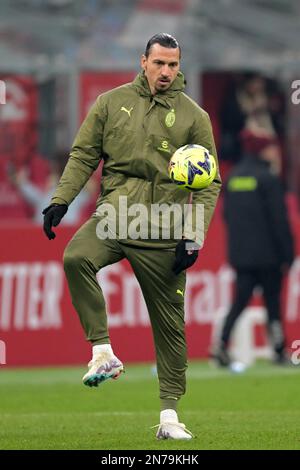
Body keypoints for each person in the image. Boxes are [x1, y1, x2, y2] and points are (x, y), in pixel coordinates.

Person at [42, 33, 221, 440]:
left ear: (180, 66)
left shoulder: (194, 117)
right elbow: (84, 154)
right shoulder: (109, 103)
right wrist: (61, 199)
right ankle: (102, 352)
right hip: (115, 217)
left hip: (163, 226)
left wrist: (193, 235)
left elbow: (210, 182)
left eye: (173, 65)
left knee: (170, 326)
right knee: (75, 258)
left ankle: (170, 416)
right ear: (143, 61)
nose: (166, 72)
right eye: (159, 63)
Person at [214, 128, 294, 367]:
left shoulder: (234, 177)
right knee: (272, 304)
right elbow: (279, 220)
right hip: (269, 256)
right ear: (262, 149)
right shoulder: (268, 179)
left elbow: (226, 216)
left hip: (241, 255)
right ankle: (279, 351)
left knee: (239, 302)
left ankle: (221, 345)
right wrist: (287, 255)